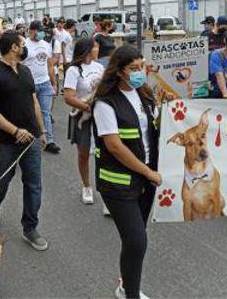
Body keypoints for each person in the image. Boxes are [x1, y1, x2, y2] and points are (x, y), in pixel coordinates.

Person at [92, 45, 163, 299]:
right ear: (119, 71)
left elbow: (154, 131)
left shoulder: (144, 95)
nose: (139, 72)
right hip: (118, 184)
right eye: (133, 69)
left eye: (141, 67)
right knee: (136, 241)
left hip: (145, 181)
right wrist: (148, 171)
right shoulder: (105, 103)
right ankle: (130, 293)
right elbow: (115, 146)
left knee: (136, 240)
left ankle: (125, 285)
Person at [0, 29, 49, 251]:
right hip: (5, 141)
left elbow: (35, 103)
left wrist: (42, 131)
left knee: (33, 184)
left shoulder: (26, 71)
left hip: (31, 139)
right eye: (22, 43)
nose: (25, 46)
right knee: (2, 181)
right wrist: (14, 130)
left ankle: (30, 228)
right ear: (14, 47)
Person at [62, 36, 102, 205]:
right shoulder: (74, 70)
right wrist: (87, 107)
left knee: (105, 154)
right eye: (95, 47)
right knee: (83, 153)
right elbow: (68, 97)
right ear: (86, 50)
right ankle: (86, 186)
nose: (97, 50)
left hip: (101, 115)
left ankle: (106, 190)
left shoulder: (100, 67)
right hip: (83, 115)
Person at [25, 20, 60, 153]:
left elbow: (49, 65)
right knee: (30, 113)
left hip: (44, 83)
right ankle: (30, 139)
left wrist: (54, 83)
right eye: (38, 30)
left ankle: (50, 141)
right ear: (32, 31)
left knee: (46, 112)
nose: (41, 33)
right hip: (29, 84)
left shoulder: (46, 45)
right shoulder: (24, 45)